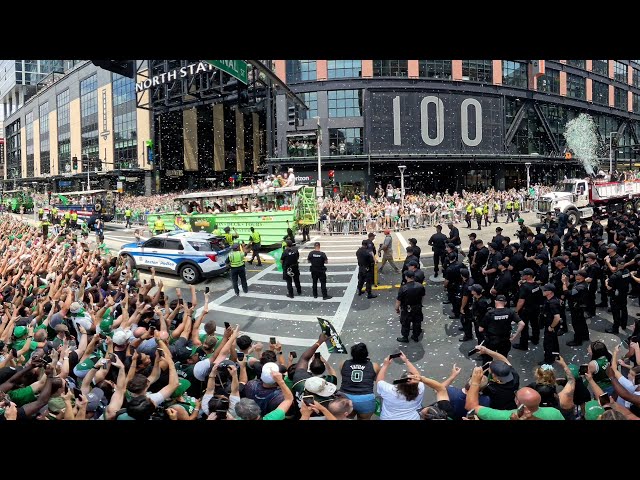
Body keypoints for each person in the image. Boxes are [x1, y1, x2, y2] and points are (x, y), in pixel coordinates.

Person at [465, 367, 564, 420]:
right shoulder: (554, 412)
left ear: (517, 402)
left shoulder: (507, 416)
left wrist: (475, 381)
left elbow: (471, 406)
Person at [375, 352, 425, 420]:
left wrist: (385, 365)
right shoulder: (420, 388)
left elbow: (379, 382)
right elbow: (418, 376)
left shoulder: (389, 390)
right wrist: (406, 361)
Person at [338, 342, 380, 420]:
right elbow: (376, 379)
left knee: (347, 418)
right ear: (366, 354)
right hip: (365, 399)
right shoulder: (374, 366)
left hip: (345, 398)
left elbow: (344, 375)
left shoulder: (343, 363)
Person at [479, 295, 523, 363]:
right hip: (505, 340)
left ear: (495, 301)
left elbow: (480, 329)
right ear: (505, 303)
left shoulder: (490, 313)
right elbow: (522, 324)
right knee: (502, 359)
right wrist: (515, 335)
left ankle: (486, 372)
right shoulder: (510, 312)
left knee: (487, 359)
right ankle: (501, 372)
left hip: (492, 340)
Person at [395, 270, 426, 343]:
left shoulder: (403, 288)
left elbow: (398, 300)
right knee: (417, 322)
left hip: (407, 309)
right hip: (417, 307)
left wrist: (397, 309)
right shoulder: (420, 286)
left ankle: (405, 337)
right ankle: (415, 336)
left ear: (406, 277)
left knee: (405, 323)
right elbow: (422, 296)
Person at [606, 258, 630, 334]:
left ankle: (615, 329)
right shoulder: (627, 272)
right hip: (624, 294)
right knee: (624, 309)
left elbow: (609, 287)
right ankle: (623, 325)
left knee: (616, 313)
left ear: (617, 263)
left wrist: (606, 282)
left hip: (615, 296)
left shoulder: (615, 276)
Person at [540, 283, 562, 365]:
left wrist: (551, 326)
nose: (543, 291)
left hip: (551, 325)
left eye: (545, 290)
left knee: (548, 343)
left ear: (550, 292)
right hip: (550, 324)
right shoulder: (551, 300)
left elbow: (557, 317)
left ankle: (548, 359)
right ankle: (555, 354)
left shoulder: (552, 303)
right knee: (554, 340)